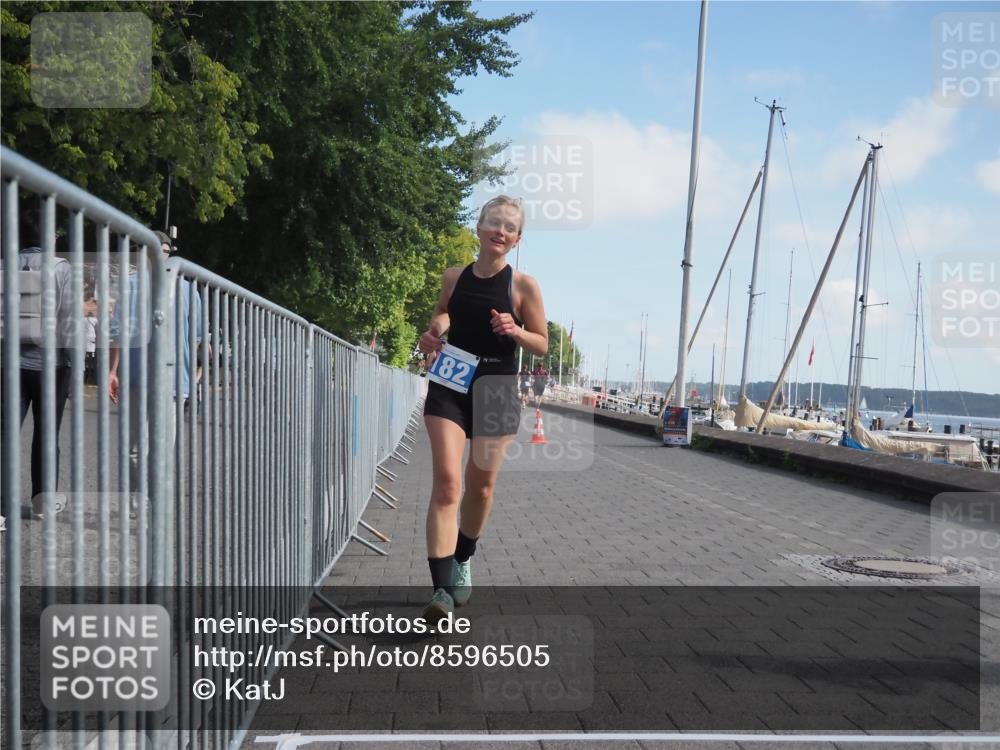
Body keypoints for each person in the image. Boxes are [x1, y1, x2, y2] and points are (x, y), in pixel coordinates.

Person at [417, 195, 547, 622]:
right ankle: (441, 592)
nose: (500, 231)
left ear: (517, 239)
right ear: (479, 227)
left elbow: (542, 343)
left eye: (510, 227)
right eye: (494, 222)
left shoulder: (523, 286)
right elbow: (443, 313)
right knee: (447, 485)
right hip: (451, 382)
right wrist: (434, 331)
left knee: (481, 488)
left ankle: (462, 557)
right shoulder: (454, 277)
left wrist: (516, 330)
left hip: (496, 389)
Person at [110, 230, 202, 511]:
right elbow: (119, 333)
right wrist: (113, 371)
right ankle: (145, 499)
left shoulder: (184, 289)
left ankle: (145, 499)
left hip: (160, 378)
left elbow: (196, 338)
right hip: (153, 377)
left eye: (162, 251)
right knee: (148, 446)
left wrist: (196, 372)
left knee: (146, 447)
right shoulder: (178, 287)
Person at [0, 244, 75, 521]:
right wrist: (73, 367)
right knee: (46, 435)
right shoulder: (61, 267)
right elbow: (69, 322)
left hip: (8, 363)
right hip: (51, 365)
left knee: (5, 436)